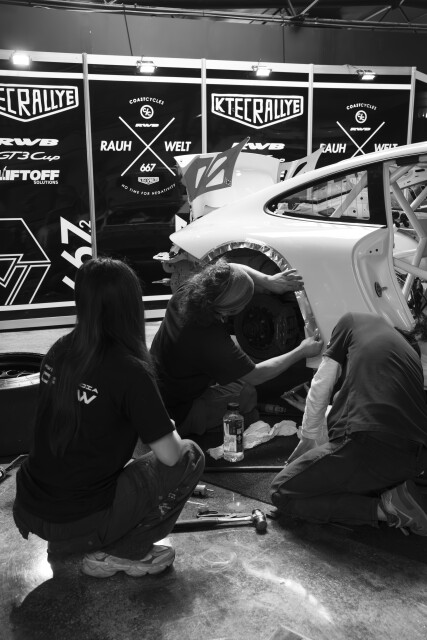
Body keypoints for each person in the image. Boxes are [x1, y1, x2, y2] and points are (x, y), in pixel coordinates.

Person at [13, 257, 204, 578]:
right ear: (131, 305)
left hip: (33, 505)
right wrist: (166, 427)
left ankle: (73, 540)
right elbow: (170, 456)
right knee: (190, 455)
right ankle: (122, 551)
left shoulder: (59, 351)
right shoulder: (129, 370)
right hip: (77, 518)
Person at [270, 311, 427, 536]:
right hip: (413, 461)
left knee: (281, 492)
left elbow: (321, 385)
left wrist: (306, 443)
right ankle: (398, 498)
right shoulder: (409, 355)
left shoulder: (351, 320)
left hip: (368, 445)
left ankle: (387, 510)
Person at [150, 258, 323, 436]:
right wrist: (301, 351)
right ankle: (209, 429)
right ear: (229, 312)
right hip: (175, 414)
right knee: (248, 393)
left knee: (235, 378)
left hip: (154, 388)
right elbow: (257, 375)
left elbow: (231, 268)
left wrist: (269, 281)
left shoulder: (189, 292)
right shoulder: (211, 340)